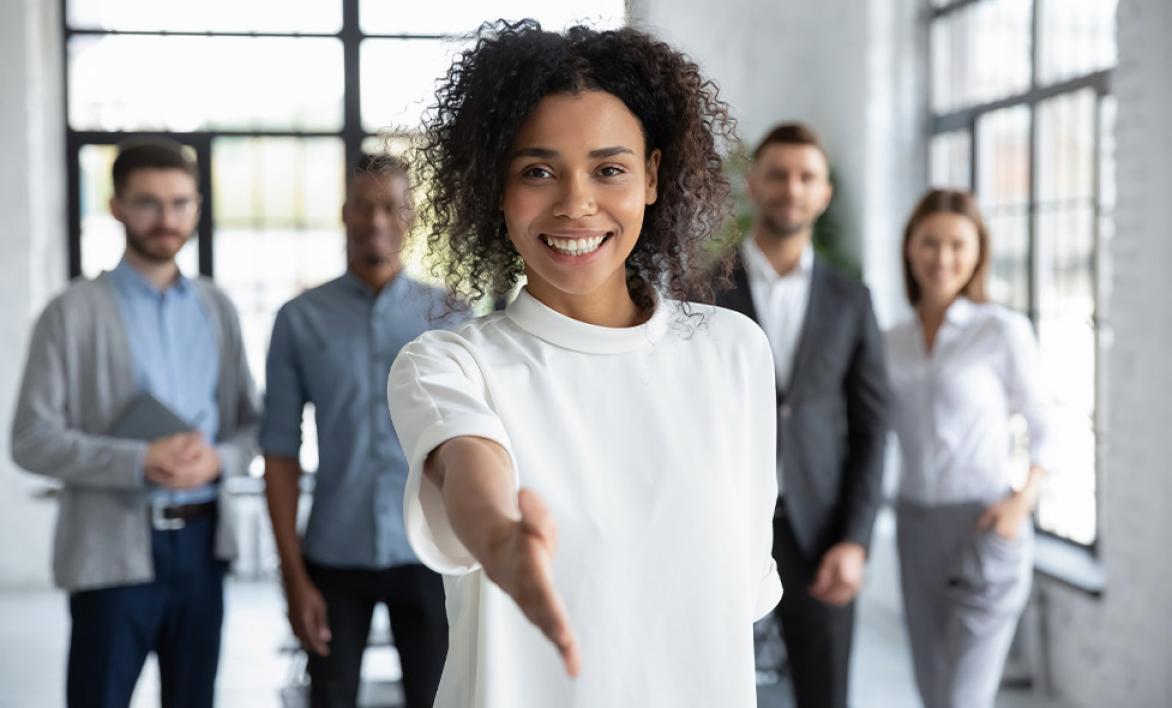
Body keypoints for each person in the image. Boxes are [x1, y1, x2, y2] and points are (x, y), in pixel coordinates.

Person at [384, 20, 780, 708]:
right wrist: (501, 540)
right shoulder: (449, 364)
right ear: (495, 189)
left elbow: (739, 590)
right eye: (538, 171)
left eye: (610, 169)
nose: (575, 203)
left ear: (652, 177)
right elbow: (471, 469)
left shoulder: (733, 352)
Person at [10, 139, 259, 708]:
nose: (166, 219)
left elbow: (252, 426)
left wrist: (218, 458)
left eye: (179, 203)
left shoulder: (217, 309)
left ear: (197, 207)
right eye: (147, 202)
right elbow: (30, 440)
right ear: (117, 205)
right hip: (111, 548)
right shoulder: (71, 312)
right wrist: (139, 460)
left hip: (201, 548)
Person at [261, 153, 459, 708]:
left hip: (429, 552)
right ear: (346, 214)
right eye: (365, 206)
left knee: (438, 698)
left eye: (392, 206)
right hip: (334, 554)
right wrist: (293, 578)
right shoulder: (299, 319)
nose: (377, 220)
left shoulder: (450, 316)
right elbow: (278, 449)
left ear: (411, 218)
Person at [715, 123, 890, 708]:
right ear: (754, 184)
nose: (792, 187)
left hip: (823, 531)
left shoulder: (851, 299)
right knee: (715, 684)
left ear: (824, 193)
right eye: (779, 174)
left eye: (806, 177)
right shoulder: (703, 290)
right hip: (725, 526)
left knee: (825, 692)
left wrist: (856, 540)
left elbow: (871, 427)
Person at [885, 189, 1054, 708]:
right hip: (915, 527)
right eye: (930, 243)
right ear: (910, 249)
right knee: (933, 692)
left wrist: (1018, 505)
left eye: (958, 244)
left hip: (985, 523)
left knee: (962, 698)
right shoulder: (892, 340)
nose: (943, 258)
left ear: (978, 251)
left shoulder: (1000, 330)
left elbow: (1046, 429)